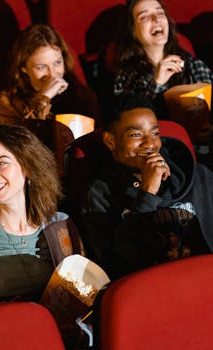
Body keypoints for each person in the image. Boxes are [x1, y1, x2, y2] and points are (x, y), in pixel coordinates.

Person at [81, 94, 213, 281]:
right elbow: (117, 266)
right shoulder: (99, 195)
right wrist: (147, 192)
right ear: (111, 141)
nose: (150, 144)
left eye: (154, 133)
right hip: (151, 293)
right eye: (136, 135)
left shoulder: (196, 175)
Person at [0, 124, 85, 305]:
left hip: (55, 330)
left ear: (27, 166)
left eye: (1, 163)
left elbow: (82, 294)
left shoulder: (62, 225)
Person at [113, 0, 213, 124]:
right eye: (144, 17)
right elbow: (130, 124)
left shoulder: (193, 65)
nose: (156, 19)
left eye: (160, 13)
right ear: (133, 30)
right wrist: (157, 84)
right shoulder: (127, 76)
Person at [0, 24, 100, 124]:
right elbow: (23, 141)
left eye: (57, 63)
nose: (52, 74)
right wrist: (43, 100)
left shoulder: (82, 96)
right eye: (41, 67)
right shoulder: (9, 103)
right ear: (24, 68)